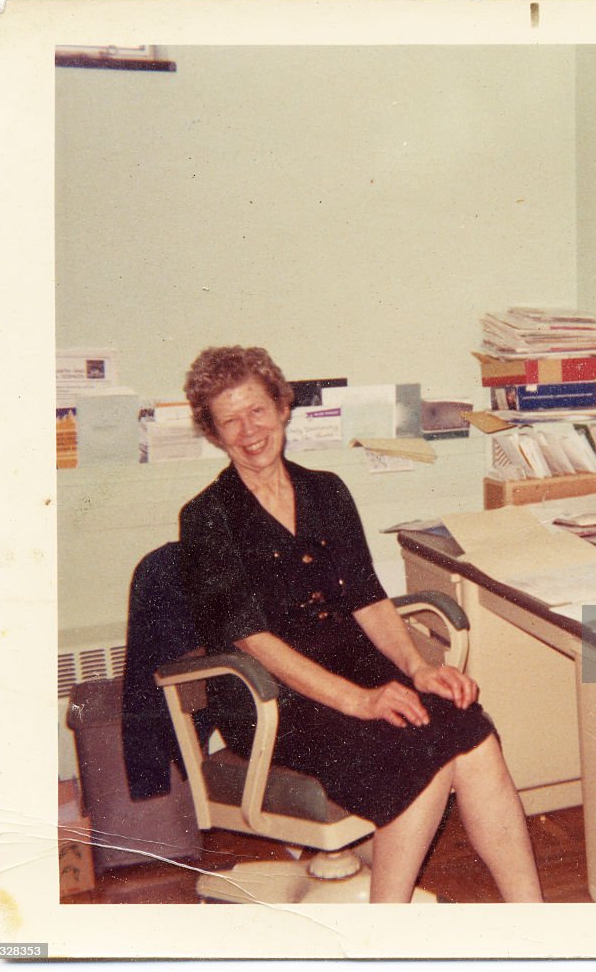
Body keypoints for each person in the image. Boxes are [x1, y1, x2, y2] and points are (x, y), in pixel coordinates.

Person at [178, 345, 542, 903]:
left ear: (281, 406)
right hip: (272, 696)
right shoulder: (206, 518)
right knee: (418, 754)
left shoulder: (326, 491)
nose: (248, 430)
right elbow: (255, 640)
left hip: (357, 667)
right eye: (229, 420)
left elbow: (368, 600)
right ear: (214, 433)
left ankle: (533, 922)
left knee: (472, 733)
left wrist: (418, 668)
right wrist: (358, 701)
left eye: (256, 410)